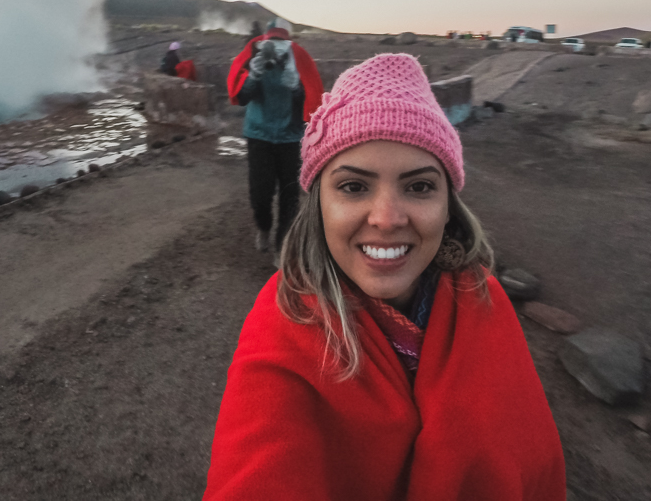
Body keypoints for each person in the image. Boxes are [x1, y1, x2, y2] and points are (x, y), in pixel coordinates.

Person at [205, 53, 566, 500]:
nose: (387, 218)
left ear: (448, 203)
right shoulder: (283, 327)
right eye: (354, 186)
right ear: (318, 204)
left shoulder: (483, 300)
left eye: (419, 186)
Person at [227, 19, 323, 254]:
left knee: (290, 195)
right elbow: (242, 97)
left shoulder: (298, 59)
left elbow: (312, 100)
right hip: (259, 135)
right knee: (260, 193)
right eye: (272, 42)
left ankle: (283, 248)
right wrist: (253, 76)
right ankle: (263, 227)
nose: (276, 48)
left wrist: (296, 87)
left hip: (291, 138)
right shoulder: (254, 56)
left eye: (281, 43)